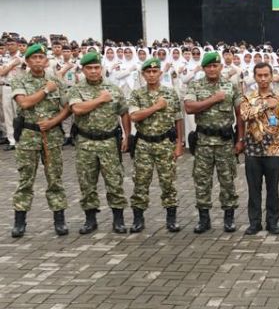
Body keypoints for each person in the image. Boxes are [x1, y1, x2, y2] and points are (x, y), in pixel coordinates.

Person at [10, 43, 72, 237]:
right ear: (27, 61)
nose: (37, 61)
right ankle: (20, 222)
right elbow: (25, 103)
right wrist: (46, 90)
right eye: (33, 58)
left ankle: (59, 220)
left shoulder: (57, 81)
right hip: (28, 137)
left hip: (51, 137)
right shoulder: (19, 81)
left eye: (41, 57)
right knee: (25, 180)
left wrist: (54, 121)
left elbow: (67, 107)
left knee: (55, 179)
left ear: (46, 61)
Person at [68, 51, 131, 234]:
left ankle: (118, 220)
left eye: (97, 68)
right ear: (83, 70)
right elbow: (77, 109)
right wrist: (100, 99)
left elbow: (124, 112)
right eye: (90, 68)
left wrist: (127, 136)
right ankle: (90, 220)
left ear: (102, 69)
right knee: (87, 182)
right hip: (85, 142)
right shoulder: (76, 89)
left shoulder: (114, 89)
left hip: (109, 143)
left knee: (114, 181)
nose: (94, 71)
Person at [183, 51, 243, 234]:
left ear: (220, 67)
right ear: (203, 68)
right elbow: (189, 107)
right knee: (202, 181)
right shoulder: (195, 85)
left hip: (225, 143)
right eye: (208, 66)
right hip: (203, 142)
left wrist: (240, 139)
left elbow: (240, 114)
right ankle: (204, 219)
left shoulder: (231, 86)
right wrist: (213, 99)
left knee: (227, 180)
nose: (211, 69)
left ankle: (229, 218)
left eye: (215, 65)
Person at [128, 57, 185, 233]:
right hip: (144, 143)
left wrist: (179, 143)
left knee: (168, 182)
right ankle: (138, 218)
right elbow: (134, 116)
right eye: (148, 72)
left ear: (160, 73)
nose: (152, 75)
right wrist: (156, 106)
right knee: (140, 182)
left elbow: (178, 119)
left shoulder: (170, 93)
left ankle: (171, 218)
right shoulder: (137, 94)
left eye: (155, 71)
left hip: (165, 143)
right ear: (143, 74)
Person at [238, 62, 279, 235]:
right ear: (254, 77)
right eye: (259, 75)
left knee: (273, 188)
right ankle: (254, 223)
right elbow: (245, 115)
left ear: (271, 76)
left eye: (266, 75)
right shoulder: (248, 97)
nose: (263, 79)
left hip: (274, 150)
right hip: (253, 151)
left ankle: (272, 221)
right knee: (253, 189)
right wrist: (264, 105)